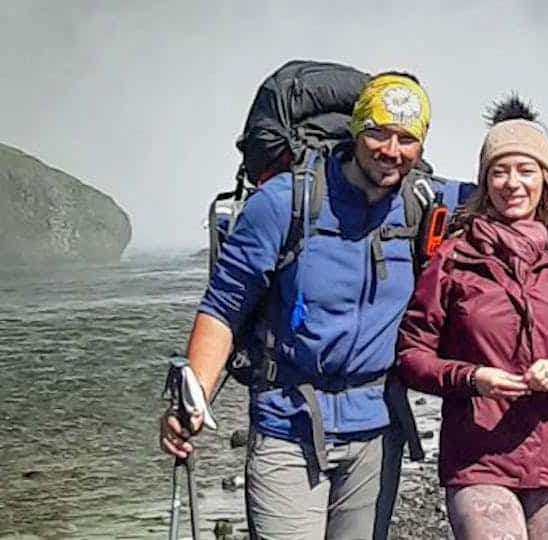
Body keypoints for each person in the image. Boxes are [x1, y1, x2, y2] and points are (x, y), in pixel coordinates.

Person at [159, 72, 439, 540]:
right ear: (355, 129)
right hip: (287, 424)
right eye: (378, 132)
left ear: (422, 145)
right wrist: (195, 398)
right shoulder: (283, 202)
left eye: (406, 138)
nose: (391, 150)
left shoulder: (422, 203)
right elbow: (225, 305)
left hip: (375, 428)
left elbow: (515, 187)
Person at [396, 96, 548, 540]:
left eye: (526, 170)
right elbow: (412, 356)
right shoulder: (454, 258)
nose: (513, 183)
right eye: (500, 171)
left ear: (546, 181)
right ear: (484, 181)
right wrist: (471, 378)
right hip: (479, 458)